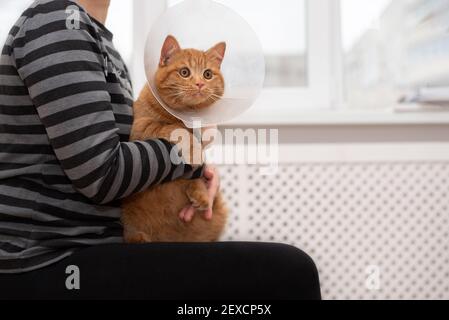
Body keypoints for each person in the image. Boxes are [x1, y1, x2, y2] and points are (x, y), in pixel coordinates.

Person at [0, 0, 321, 300]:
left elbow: (132, 151)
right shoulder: (58, 25)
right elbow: (101, 175)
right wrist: (188, 157)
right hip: (48, 258)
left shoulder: (98, 38)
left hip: (97, 242)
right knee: (290, 272)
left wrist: (195, 173)